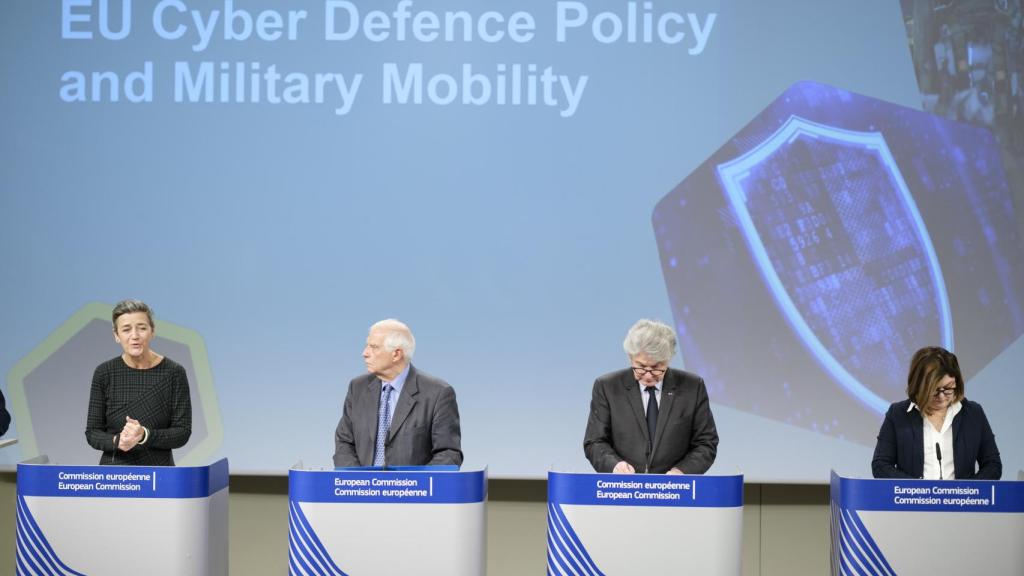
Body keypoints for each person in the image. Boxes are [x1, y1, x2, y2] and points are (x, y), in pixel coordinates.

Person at [584, 319, 718, 474]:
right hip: (623, 489)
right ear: (630, 358)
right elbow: (594, 441)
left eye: (656, 368)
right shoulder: (607, 387)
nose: (648, 376)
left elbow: (706, 443)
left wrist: (682, 471)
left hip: (675, 490)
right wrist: (615, 465)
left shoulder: (692, 387)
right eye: (640, 366)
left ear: (668, 360)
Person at [333, 319, 463, 468]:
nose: (365, 353)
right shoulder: (357, 388)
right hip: (362, 488)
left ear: (396, 354)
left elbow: (448, 454)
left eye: (374, 347)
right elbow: (344, 442)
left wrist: (413, 485)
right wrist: (359, 482)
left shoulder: (438, 394)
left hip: (411, 489)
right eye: (367, 345)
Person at [85, 300, 192, 466]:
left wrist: (144, 435)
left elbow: (182, 432)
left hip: (159, 475)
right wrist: (117, 441)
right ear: (116, 335)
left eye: (142, 328)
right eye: (126, 329)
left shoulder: (174, 373)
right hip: (114, 476)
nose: (134, 335)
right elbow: (92, 432)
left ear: (152, 331)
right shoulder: (104, 373)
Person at [872, 346, 1001, 479]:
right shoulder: (898, 414)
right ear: (918, 385)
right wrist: (914, 490)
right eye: (934, 390)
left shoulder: (973, 413)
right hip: (913, 498)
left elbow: (993, 465)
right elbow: (880, 465)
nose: (941, 396)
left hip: (962, 499)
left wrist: (967, 491)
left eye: (948, 388)